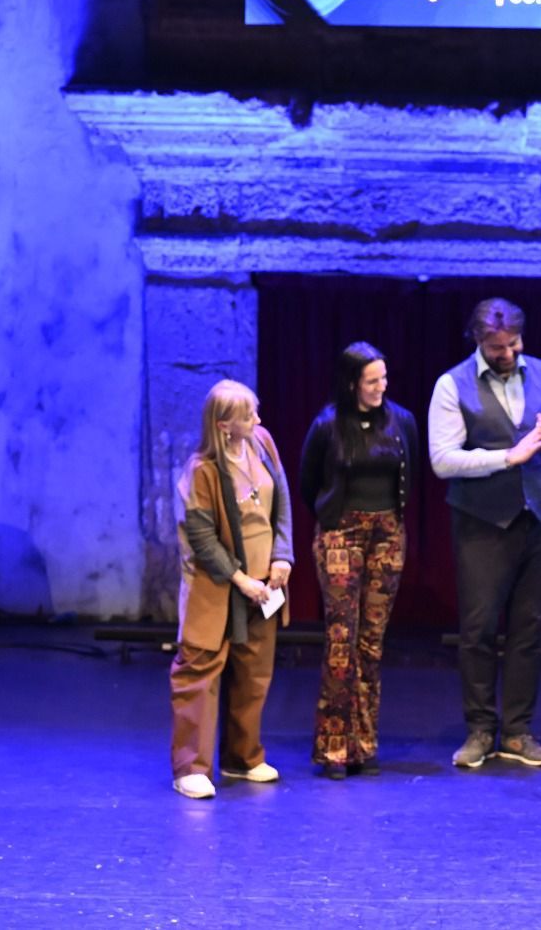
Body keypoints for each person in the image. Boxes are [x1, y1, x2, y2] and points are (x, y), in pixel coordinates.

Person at [429, 297, 541, 769]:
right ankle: (480, 729)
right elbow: (443, 460)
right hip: (482, 521)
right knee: (479, 629)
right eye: (498, 347)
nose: (509, 353)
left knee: (529, 627)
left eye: (514, 343)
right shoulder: (451, 384)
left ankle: (518, 731)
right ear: (479, 340)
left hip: (537, 516)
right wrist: (507, 457)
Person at [298, 342, 420, 780]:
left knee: (370, 643)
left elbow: (411, 474)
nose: (380, 387)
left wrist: (387, 523)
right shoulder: (327, 425)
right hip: (341, 533)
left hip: (387, 534)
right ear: (352, 383)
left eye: (383, 379)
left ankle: (364, 744)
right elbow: (308, 481)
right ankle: (334, 746)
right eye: (371, 381)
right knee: (341, 641)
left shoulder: (401, 420)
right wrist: (335, 522)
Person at [170, 379, 294, 799]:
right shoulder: (202, 470)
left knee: (254, 670)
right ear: (223, 425)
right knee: (199, 669)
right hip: (217, 585)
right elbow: (203, 538)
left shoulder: (263, 443)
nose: (257, 420)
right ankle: (191, 767)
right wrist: (240, 579)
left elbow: (282, 501)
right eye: (247, 416)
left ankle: (242, 757)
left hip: (264, 582)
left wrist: (282, 557)